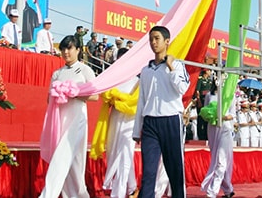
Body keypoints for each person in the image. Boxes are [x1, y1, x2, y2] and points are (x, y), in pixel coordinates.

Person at [133, 25, 190, 198]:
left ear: (167, 41)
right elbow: (142, 100)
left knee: (175, 170)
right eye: (151, 39)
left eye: (157, 38)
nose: (153, 42)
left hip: (171, 121)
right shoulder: (146, 71)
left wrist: (171, 66)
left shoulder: (178, 66)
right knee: (148, 172)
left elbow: (182, 88)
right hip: (150, 124)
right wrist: (137, 129)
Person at [39, 35, 97, 198]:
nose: (66, 52)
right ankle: (79, 195)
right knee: (75, 164)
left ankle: (47, 195)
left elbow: (95, 96)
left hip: (77, 118)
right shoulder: (58, 73)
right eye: (63, 49)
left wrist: (74, 93)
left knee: (61, 156)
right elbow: (49, 98)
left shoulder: (85, 70)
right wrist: (59, 93)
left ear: (78, 50)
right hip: (60, 120)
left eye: (70, 48)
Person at [102, 47, 139, 198]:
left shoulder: (138, 81)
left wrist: (119, 99)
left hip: (130, 122)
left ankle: (118, 193)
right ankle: (132, 188)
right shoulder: (113, 79)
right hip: (115, 119)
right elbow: (105, 96)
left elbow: (135, 103)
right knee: (113, 152)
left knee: (124, 154)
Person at [200, 81, 235, 198]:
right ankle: (228, 189)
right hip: (212, 129)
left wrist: (220, 116)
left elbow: (232, 114)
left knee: (221, 160)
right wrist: (210, 115)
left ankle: (212, 192)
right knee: (216, 159)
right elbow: (204, 110)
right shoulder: (210, 95)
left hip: (225, 127)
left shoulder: (230, 95)